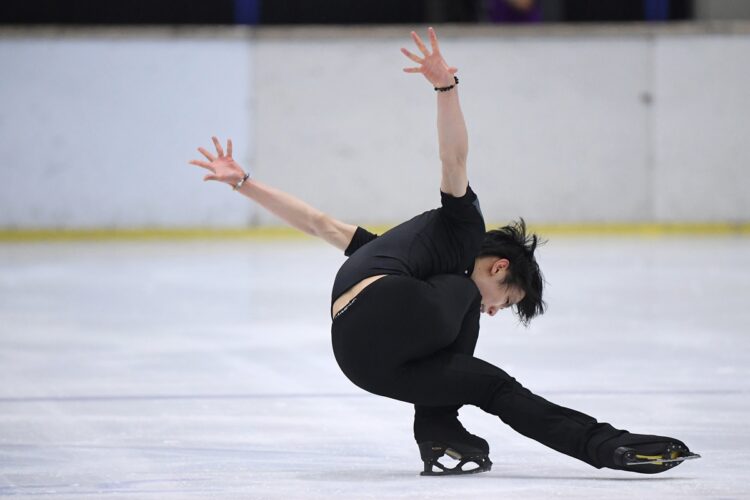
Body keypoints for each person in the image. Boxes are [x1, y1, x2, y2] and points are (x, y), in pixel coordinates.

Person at [189, 27, 699, 476]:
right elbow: (454, 156)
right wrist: (445, 87)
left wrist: (245, 184)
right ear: (499, 265)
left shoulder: (399, 257)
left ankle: (440, 430)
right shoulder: (460, 228)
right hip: (384, 311)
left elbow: (318, 224)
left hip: (361, 359)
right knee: (468, 310)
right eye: (505, 297)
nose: (495, 309)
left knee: (485, 382)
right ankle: (602, 444)